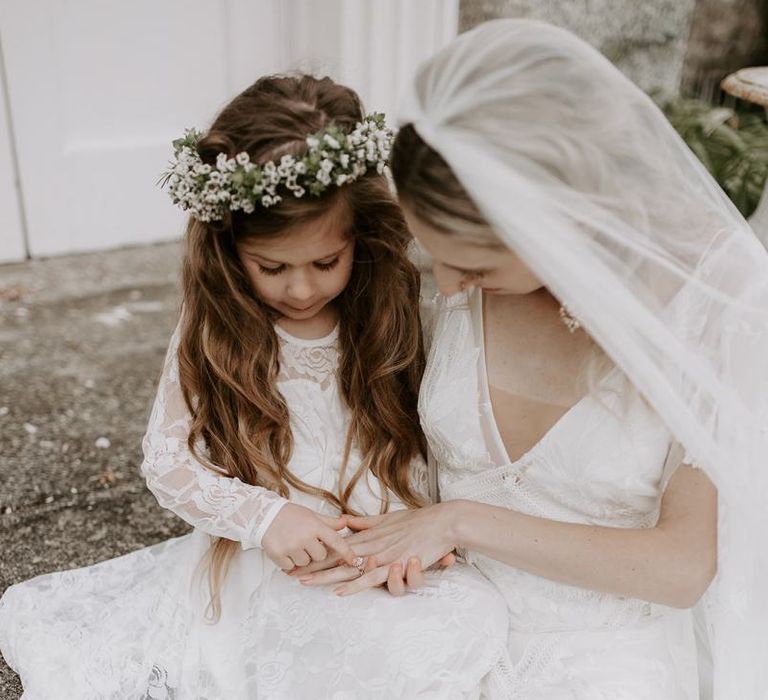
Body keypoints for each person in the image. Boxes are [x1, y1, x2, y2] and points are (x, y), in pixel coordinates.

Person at [294, 20, 768, 699]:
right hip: (436, 612)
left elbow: (683, 567)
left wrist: (457, 521)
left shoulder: (712, 310)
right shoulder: (464, 277)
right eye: (438, 258)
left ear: (557, 219)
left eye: (473, 264)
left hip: (600, 660)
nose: (450, 286)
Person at [0, 74, 508, 699]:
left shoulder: (392, 305)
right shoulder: (217, 324)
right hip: (272, 560)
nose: (300, 290)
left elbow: (433, 433)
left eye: (326, 262)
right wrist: (267, 519)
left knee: (453, 633)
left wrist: (410, 530)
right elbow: (167, 460)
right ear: (229, 248)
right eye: (272, 267)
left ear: (362, 237)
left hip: (384, 544)